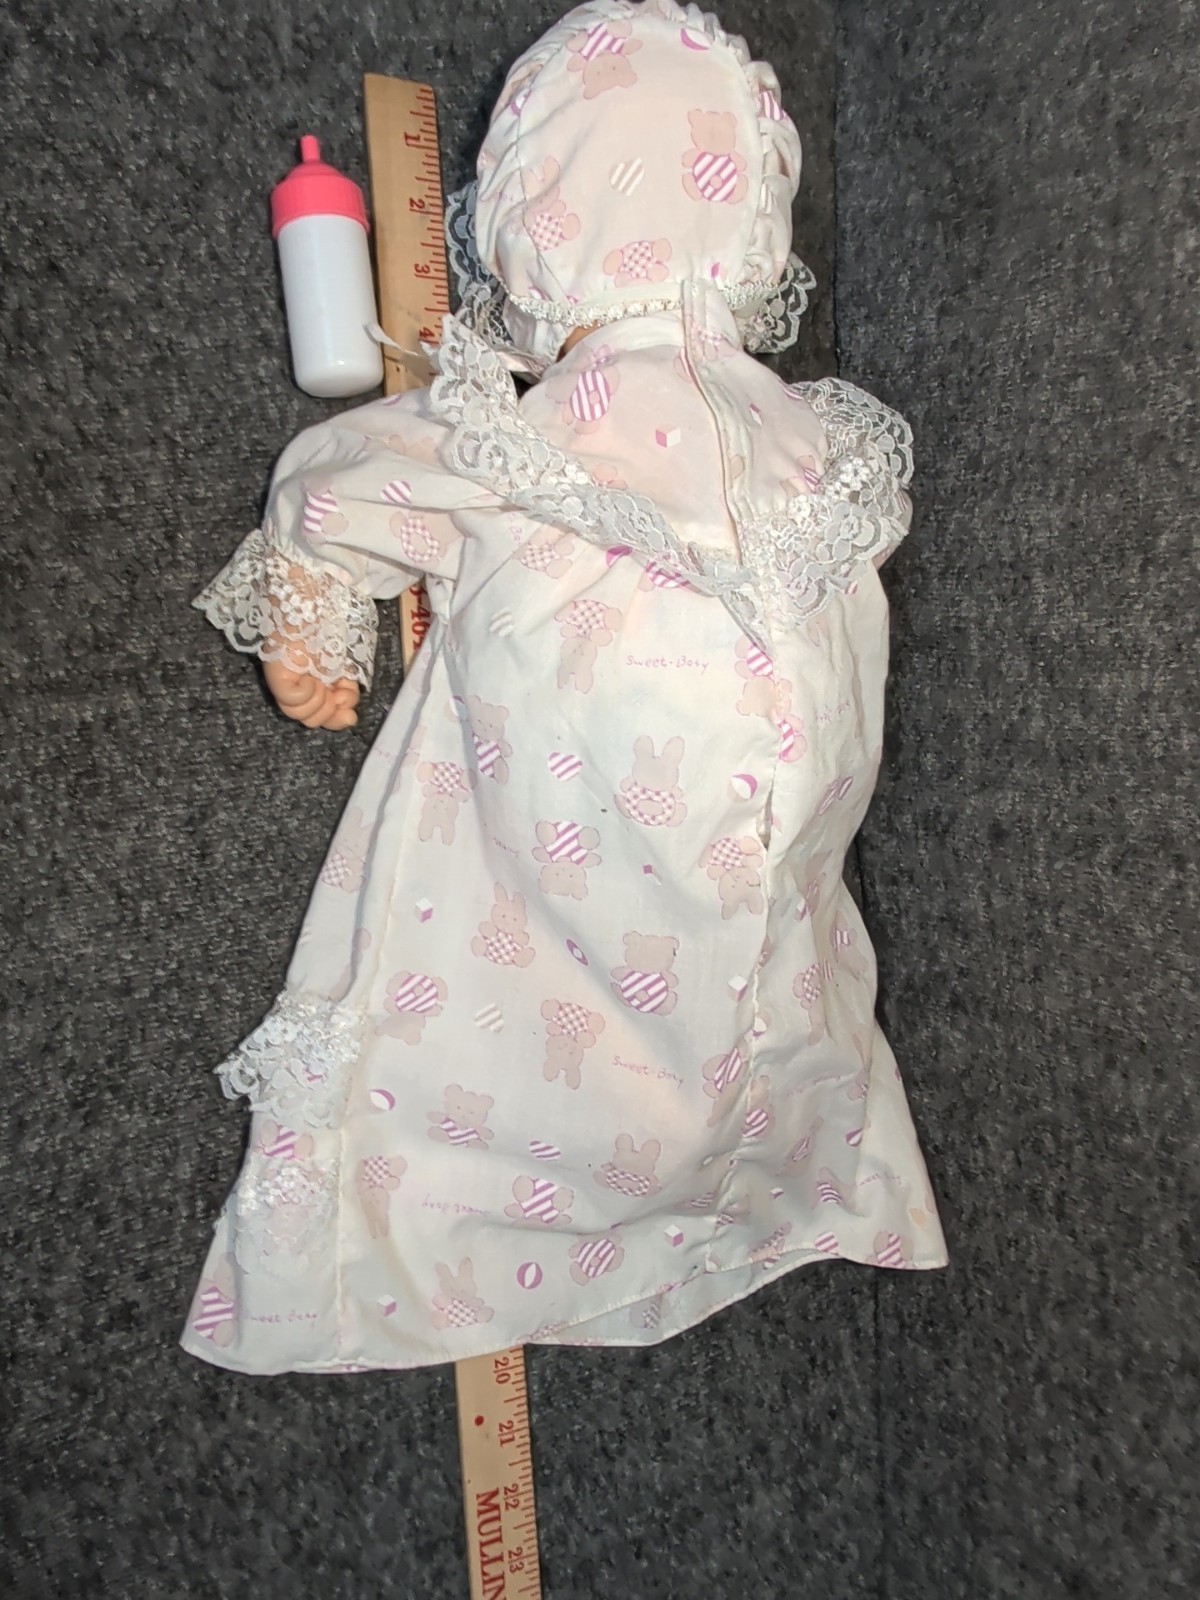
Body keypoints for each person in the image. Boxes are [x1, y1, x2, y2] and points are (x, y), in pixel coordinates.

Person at [181, 0, 948, 1375]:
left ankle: (493, 1210)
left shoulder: (536, 427)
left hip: (600, 759)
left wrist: (311, 609)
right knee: (765, 953)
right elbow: (866, 545)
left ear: (532, 224)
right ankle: (767, 1169)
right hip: (780, 774)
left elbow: (336, 481)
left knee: (526, 937)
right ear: (753, 226)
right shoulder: (812, 437)